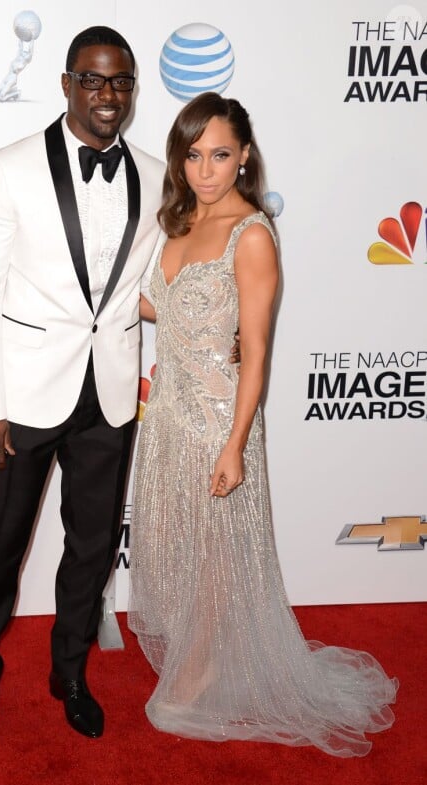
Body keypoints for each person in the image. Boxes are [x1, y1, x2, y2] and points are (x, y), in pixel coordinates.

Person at [128, 92, 397, 757]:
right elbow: (169, 310)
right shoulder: (181, 220)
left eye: (220, 154)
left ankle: (200, 673)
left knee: (216, 556)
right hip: (165, 415)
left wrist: (237, 442)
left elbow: (257, 348)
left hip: (218, 423)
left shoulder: (252, 234)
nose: (206, 170)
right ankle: (198, 657)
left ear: (245, 155)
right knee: (177, 550)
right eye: (192, 155)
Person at [0, 26, 164, 751]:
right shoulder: (7, 167)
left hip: (109, 394)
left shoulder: (153, 172)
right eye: (94, 80)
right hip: (20, 399)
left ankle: (69, 672)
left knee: (93, 545)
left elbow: (156, 285)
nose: (108, 95)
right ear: (67, 83)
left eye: (122, 82)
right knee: (2, 548)